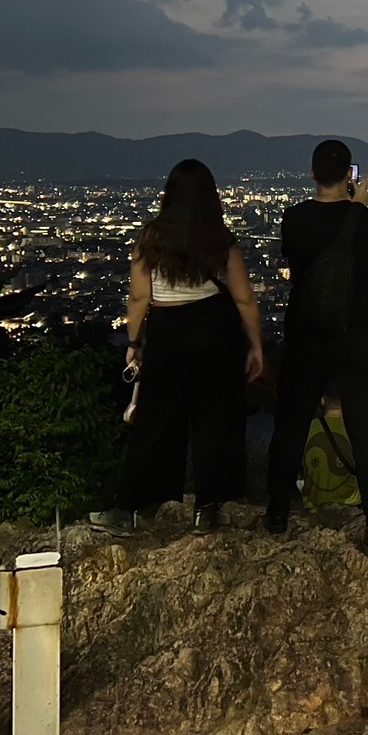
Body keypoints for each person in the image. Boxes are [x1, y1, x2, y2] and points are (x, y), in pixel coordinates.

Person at [90, 159, 265, 536]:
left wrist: (136, 342)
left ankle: (130, 509)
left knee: (155, 420)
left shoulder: (151, 237)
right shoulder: (221, 238)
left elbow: (139, 297)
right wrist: (256, 345)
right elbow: (245, 299)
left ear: (169, 195)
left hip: (169, 332)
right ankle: (208, 510)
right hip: (216, 330)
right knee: (214, 420)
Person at [267, 139, 368, 556]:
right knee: (365, 429)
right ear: (349, 175)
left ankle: (277, 513)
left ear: (313, 173)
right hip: (356, 334)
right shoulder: (367, 219)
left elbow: (296, 260)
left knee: (291, 424)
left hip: (305, 332)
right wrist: (362, 208)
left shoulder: (293, 218)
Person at [302, 395, 361, 511]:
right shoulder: (358, 429)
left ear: (323, 400)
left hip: (313, 508)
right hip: (351, 508)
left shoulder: (307, 428)